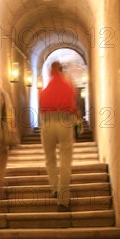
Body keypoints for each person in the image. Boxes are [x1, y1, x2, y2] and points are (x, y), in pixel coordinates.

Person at [39, 61, 78, 212]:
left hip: (47, 122)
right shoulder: (68, 85)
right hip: (64, 121)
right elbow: (73, 106)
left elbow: (41, 108)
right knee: (65, 160)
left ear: (50, 71)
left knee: (50, 159)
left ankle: (55, 187)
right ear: (61, 70)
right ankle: (63, 199)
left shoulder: (46, 88)